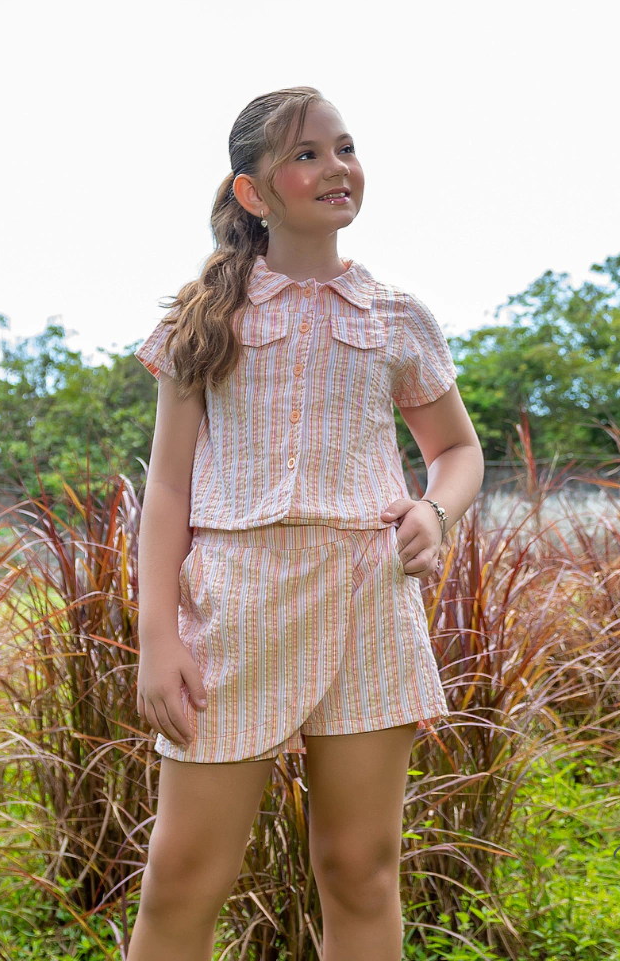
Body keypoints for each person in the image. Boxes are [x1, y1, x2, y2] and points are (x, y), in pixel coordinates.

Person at [126, 86, 484, 961]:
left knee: (360, 871)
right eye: (308, 154)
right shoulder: (206, 318)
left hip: (369, 605)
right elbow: (167, 490)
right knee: (182, 876)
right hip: (234, 612)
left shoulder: (397, 316)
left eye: (345, 148)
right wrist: (157, 638)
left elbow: (458, 451)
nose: (337, 169)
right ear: (253, 192)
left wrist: (434, 512)